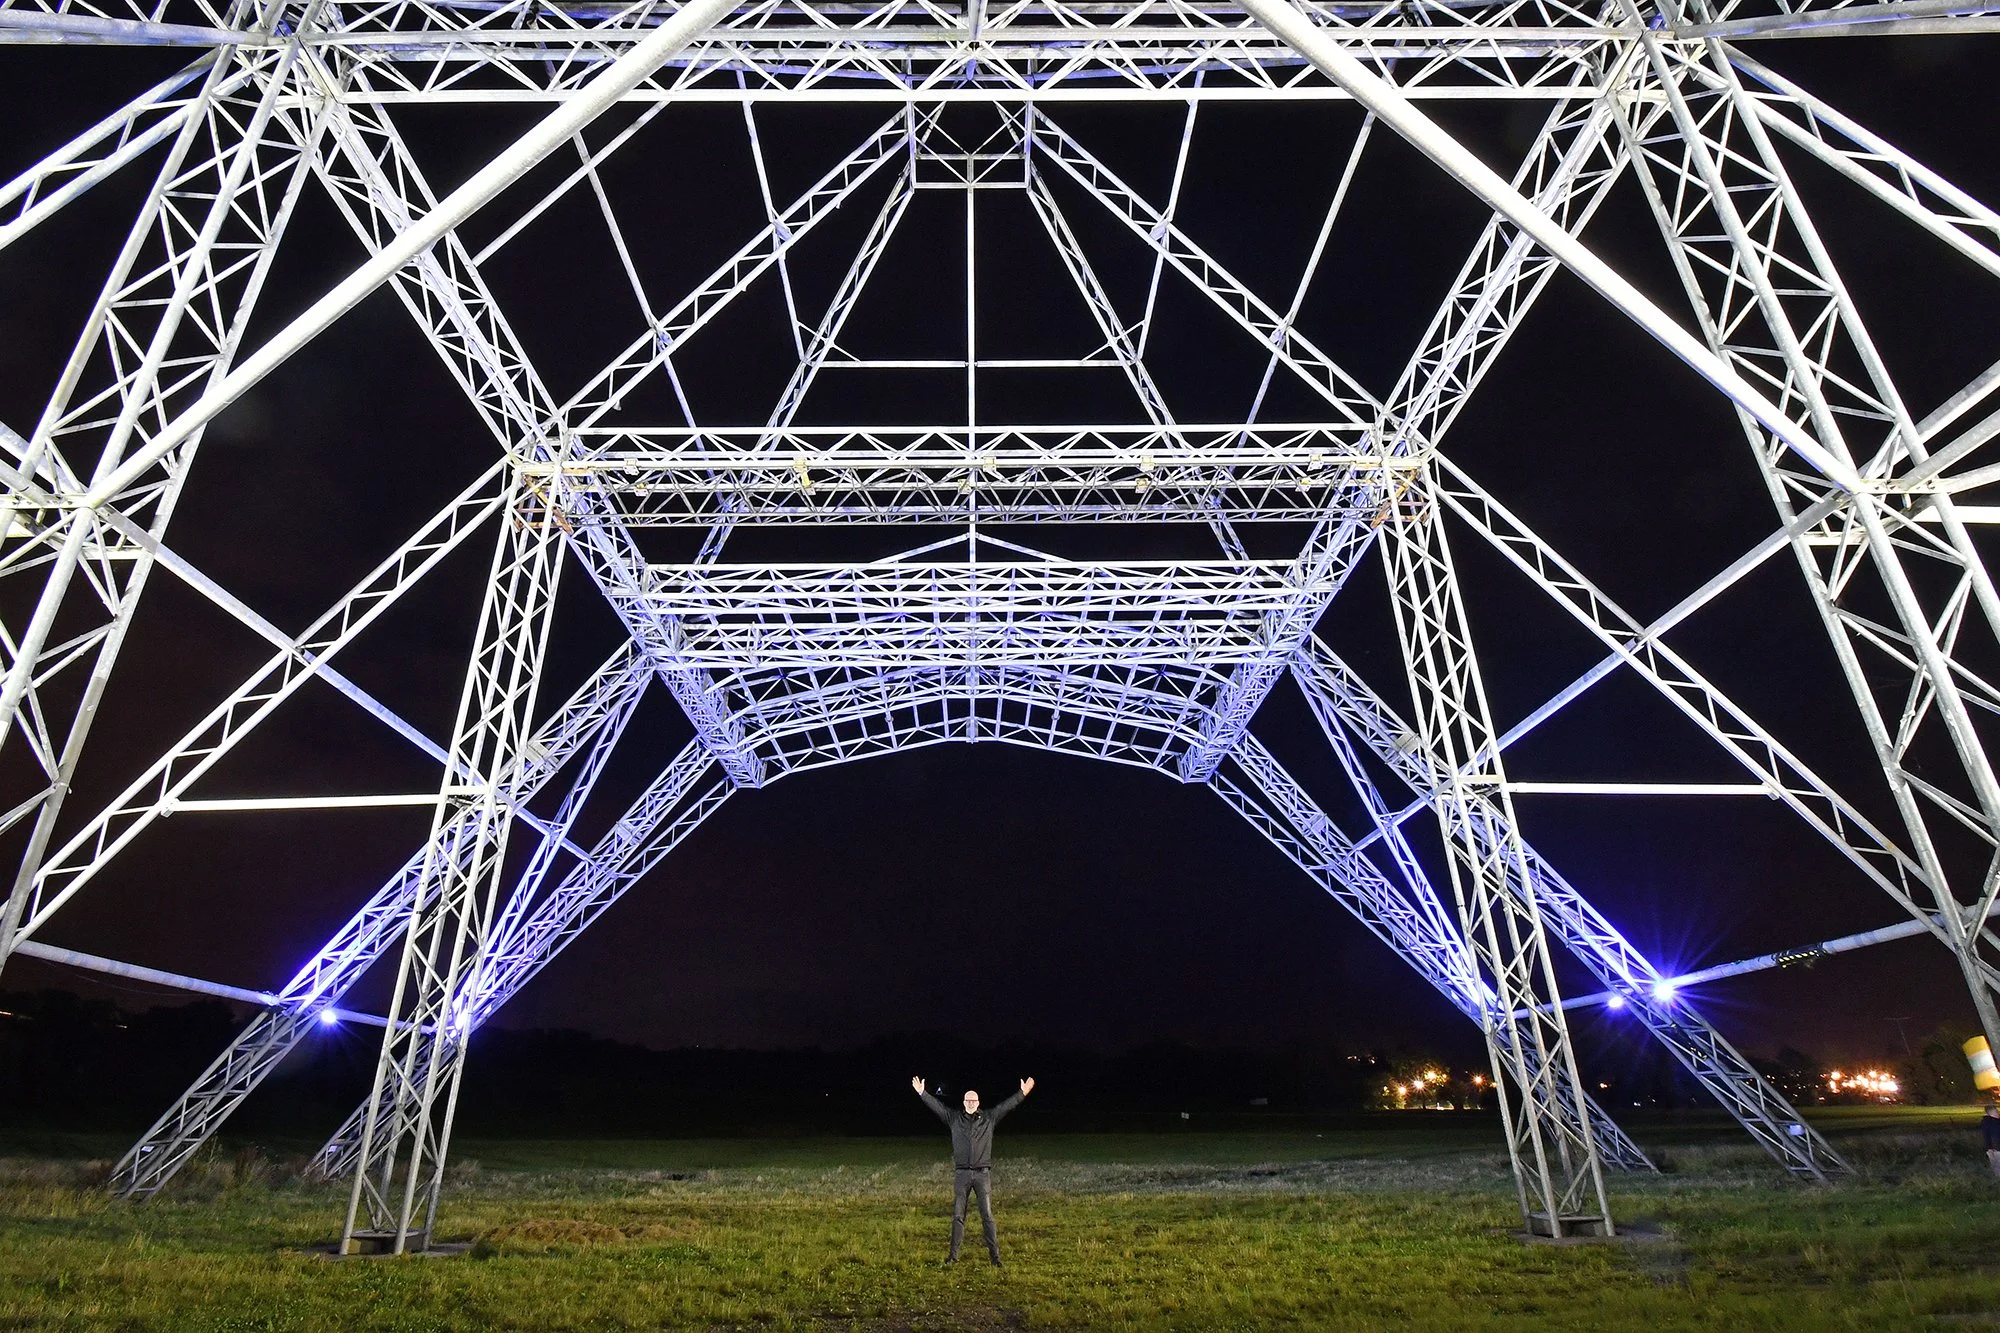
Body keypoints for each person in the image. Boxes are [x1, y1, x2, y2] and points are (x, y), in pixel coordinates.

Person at [911, 1074, 1034, 1266]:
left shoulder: (989, 1118)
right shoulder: (954, 1119)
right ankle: (953, 1257)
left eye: (974, 1100)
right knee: (958, 1216)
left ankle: (995, 1259)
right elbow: (937, 1107)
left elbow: (1006, 1106)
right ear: (963, 1102)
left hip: (982, 1174)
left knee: (987, 1217)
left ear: (978, 1102)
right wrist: (922, 1092)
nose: (971, 1102)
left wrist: (1023, 1093)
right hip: (962, 1175)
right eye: (968, 1100)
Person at [1983, 1104, 2000, 1178]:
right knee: (1997, 1169)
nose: (1997, 1113)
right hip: (1995, 1149)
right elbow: (1987, 1136)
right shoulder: (1989, 1123)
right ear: (1990, 1113)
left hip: (1994, 1148)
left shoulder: (1995, 1122)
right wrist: (1989, 1149)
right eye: (1995, 1111)